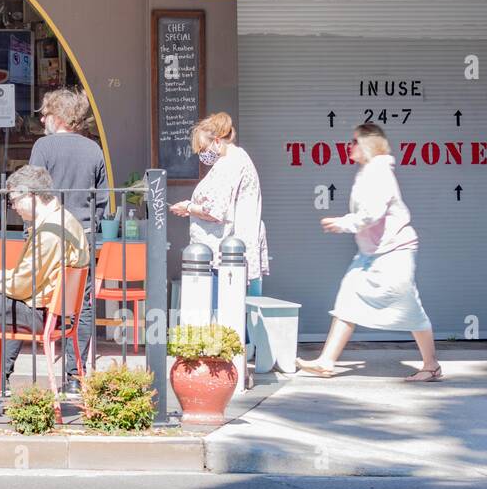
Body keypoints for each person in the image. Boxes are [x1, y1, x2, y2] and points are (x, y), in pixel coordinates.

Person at [298, 123, 440, 381]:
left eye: (354, 142)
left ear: (367, 145)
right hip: (372, 253)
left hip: (394, 251)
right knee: (347, 300)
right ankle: (326, 361)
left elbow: (372, 213)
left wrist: (343, 223)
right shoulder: (368, 171)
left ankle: (431, 366)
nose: (349, 146)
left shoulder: (379, 173)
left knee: (409, 307)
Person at [0, 164, 90, 398]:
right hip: (51, 312)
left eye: (13, 200)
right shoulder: (65, 221)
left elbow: (23, 286)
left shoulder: (49, 233)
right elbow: (29, 275)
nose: (13, 207)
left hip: (35, 313)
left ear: (30, 195)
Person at [28, 86, 109, 390]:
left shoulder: (44, 148)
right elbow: (101, 201)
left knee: (29, 298)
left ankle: (1, 377)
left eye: (46, 113)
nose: (43, 120)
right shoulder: (94, 150)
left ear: (58, 116)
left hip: (48, 237)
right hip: (82, 237)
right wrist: (90, 228)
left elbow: (31, 191)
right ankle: (76, 374)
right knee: (82, 304)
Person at [169, 112, 269, 293]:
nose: (201, 154)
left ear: (216, 141)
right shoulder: (239, 157)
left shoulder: (228, 164)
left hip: (226, 258)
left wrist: (189, 207)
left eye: (202, 148)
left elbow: (215, 211)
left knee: (223, 313)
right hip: (236, 253)